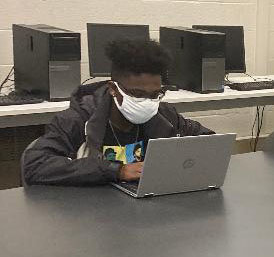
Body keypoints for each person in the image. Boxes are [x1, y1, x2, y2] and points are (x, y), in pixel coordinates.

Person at [23, 39, 212, 185]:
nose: (147, 102)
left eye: (155, 94)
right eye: (137, 94)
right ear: (113, 89)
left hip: (147, 211)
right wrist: (116, 171)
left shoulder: (164, 114)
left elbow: (210, 142)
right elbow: (35, 164)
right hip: (92, 214)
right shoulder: (78, 119)